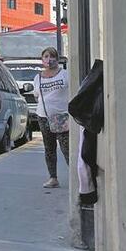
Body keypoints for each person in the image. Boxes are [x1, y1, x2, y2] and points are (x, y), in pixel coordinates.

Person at [33, 46, 70, 188]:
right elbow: (37, 95)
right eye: (46, 56)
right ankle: (53, 177)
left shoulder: (64, 74)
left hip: (61, 117)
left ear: (58, 59)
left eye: (52, 56)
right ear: (42, 60)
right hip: (43, 116)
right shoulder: (38, 77)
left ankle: (76, 177)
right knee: (49, 148)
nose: (49, 59)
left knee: (66, 148)